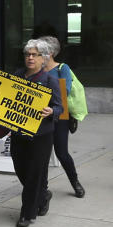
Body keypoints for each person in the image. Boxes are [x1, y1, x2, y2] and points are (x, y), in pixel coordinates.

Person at [11, 38, 63, 227]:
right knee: (21, 170)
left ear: (44, 58)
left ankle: (27, 214)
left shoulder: (50, 79)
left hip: (41, 135)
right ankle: (43, 195)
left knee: (33, 174)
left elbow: (60, 107)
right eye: (28, 54)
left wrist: (52, 111)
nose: (30, 58)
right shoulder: (17, 75)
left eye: (35, 55)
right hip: (18, 133)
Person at [38, 35, 86, 198]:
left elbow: (63, 92)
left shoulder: (62, 68)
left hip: (59, 117)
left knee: (61, 152)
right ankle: (42, 190)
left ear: (50, 53)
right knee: (41, 155)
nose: (35, 54)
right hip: (39, 116)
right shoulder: (35, 69)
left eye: (40, 51)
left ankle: (75, 182)